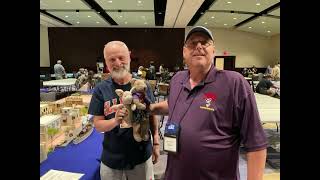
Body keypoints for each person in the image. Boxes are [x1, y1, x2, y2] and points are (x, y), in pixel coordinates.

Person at [149, 26, 267, 180]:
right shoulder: (177, 79)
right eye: (192, 43)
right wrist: (151, 108)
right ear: (184, 52)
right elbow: (175, 105)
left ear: (213, 50)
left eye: (204, 42)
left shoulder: (234, 83)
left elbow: (256, 144)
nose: (198, 46)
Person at [88, 41, 160, 180]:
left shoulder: (142, 86)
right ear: (106, 62)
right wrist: (115, 121)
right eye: (112, 59)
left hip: (141, 156)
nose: (117, 63)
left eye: (121, 57)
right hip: (112, 159)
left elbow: (151, 116)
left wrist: (156, 142)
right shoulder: (100, 89)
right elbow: (98, 124)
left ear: (129, 56)